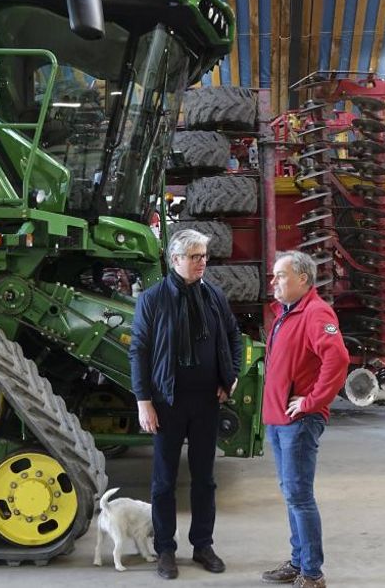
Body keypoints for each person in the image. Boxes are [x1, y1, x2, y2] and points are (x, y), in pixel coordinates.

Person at [129, 229, 241, 580]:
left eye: (204, 256)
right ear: (174, 260)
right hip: (166, 402)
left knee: (204, 479)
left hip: (207, 400)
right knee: (164, 481)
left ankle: (203, 545)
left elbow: (233, 336)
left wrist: (231, 376)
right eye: (194, 257)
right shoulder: (152, 299)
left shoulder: (214, 296)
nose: (201, 263)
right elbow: (139, 352)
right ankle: (165, 549)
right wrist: (143, 400)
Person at [260, 251, 350, 588]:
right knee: (291, 493)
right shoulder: (287, 313)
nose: (274, 282)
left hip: (298, 421)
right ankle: (298, 562)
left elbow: (338, 358)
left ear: (303, 279)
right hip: (280, 418)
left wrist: (313, 401)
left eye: (280, 276)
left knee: (299, 495)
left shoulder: (315, 313)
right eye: (274, 275)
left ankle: (312, 573)